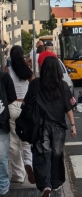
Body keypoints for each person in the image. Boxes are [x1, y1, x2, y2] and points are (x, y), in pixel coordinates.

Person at [23, 56, 77, 197]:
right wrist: (73, 125)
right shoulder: (63, 85)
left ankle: (45, 185)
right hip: (58, 127)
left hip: (40, 127)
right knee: (56, 155)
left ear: (43, 68)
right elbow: (68, 107)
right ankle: (55, 184)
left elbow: (26, 103)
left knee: (42, 156)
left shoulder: (36, 84)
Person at [7, 46, 36, 185]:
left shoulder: (7, 71)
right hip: (25, 107)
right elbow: (35, 86)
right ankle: (29, 163)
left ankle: (18, 174)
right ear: (23, 56)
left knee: (13, 143)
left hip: (12, 107)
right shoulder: (28, 72)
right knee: (26, 140)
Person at [0, 70, 16, 196]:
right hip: (1, 122)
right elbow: (11, 97)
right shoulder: (4, 77)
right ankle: (3, 187)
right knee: (2, 158)